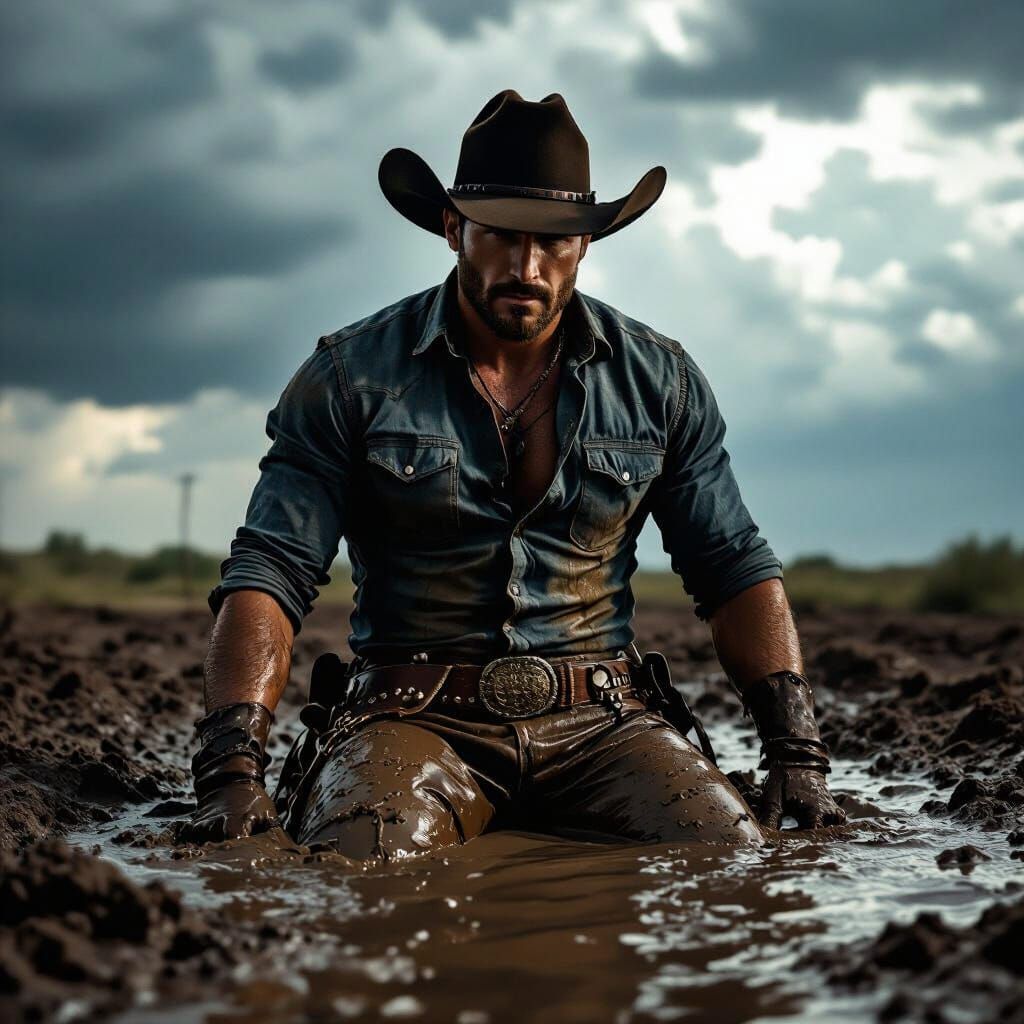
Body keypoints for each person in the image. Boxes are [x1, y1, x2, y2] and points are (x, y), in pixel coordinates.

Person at [181, 90, 845, 859]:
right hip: (411, 722)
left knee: (729, 856)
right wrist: (231, 769)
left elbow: (731, 567)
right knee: (362, 869)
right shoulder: (349, 377)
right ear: (454, 229)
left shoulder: (661, 382)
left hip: (604, 725)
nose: (526, 267)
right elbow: (271, 570)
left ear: (586, 245)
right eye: (501, 236)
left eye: (554, 241)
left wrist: (798, 753)